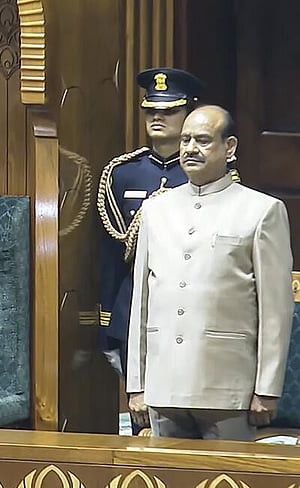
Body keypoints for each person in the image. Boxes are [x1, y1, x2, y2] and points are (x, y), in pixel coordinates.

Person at [126, 105, 293, 441]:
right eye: (185, 140)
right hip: (163, 384)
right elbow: (141, 302)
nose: (190, 148)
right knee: (165, 475)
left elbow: (275, 309)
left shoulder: (261, 210)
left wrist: (267, 388)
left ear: (229, 147)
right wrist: (137, 384)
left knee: (227, 476)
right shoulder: (156, 209)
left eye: (202, 140)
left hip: (228, 388)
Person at [96, 68, 209, 433]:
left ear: (189, 112)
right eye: (151, 111)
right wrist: (106, 322)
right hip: (134, 307)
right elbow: (112, 256)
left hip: (187, 306)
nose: (158, 117)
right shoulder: (123, 174)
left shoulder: (204, 175)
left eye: (170, 110)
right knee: (140, 425)